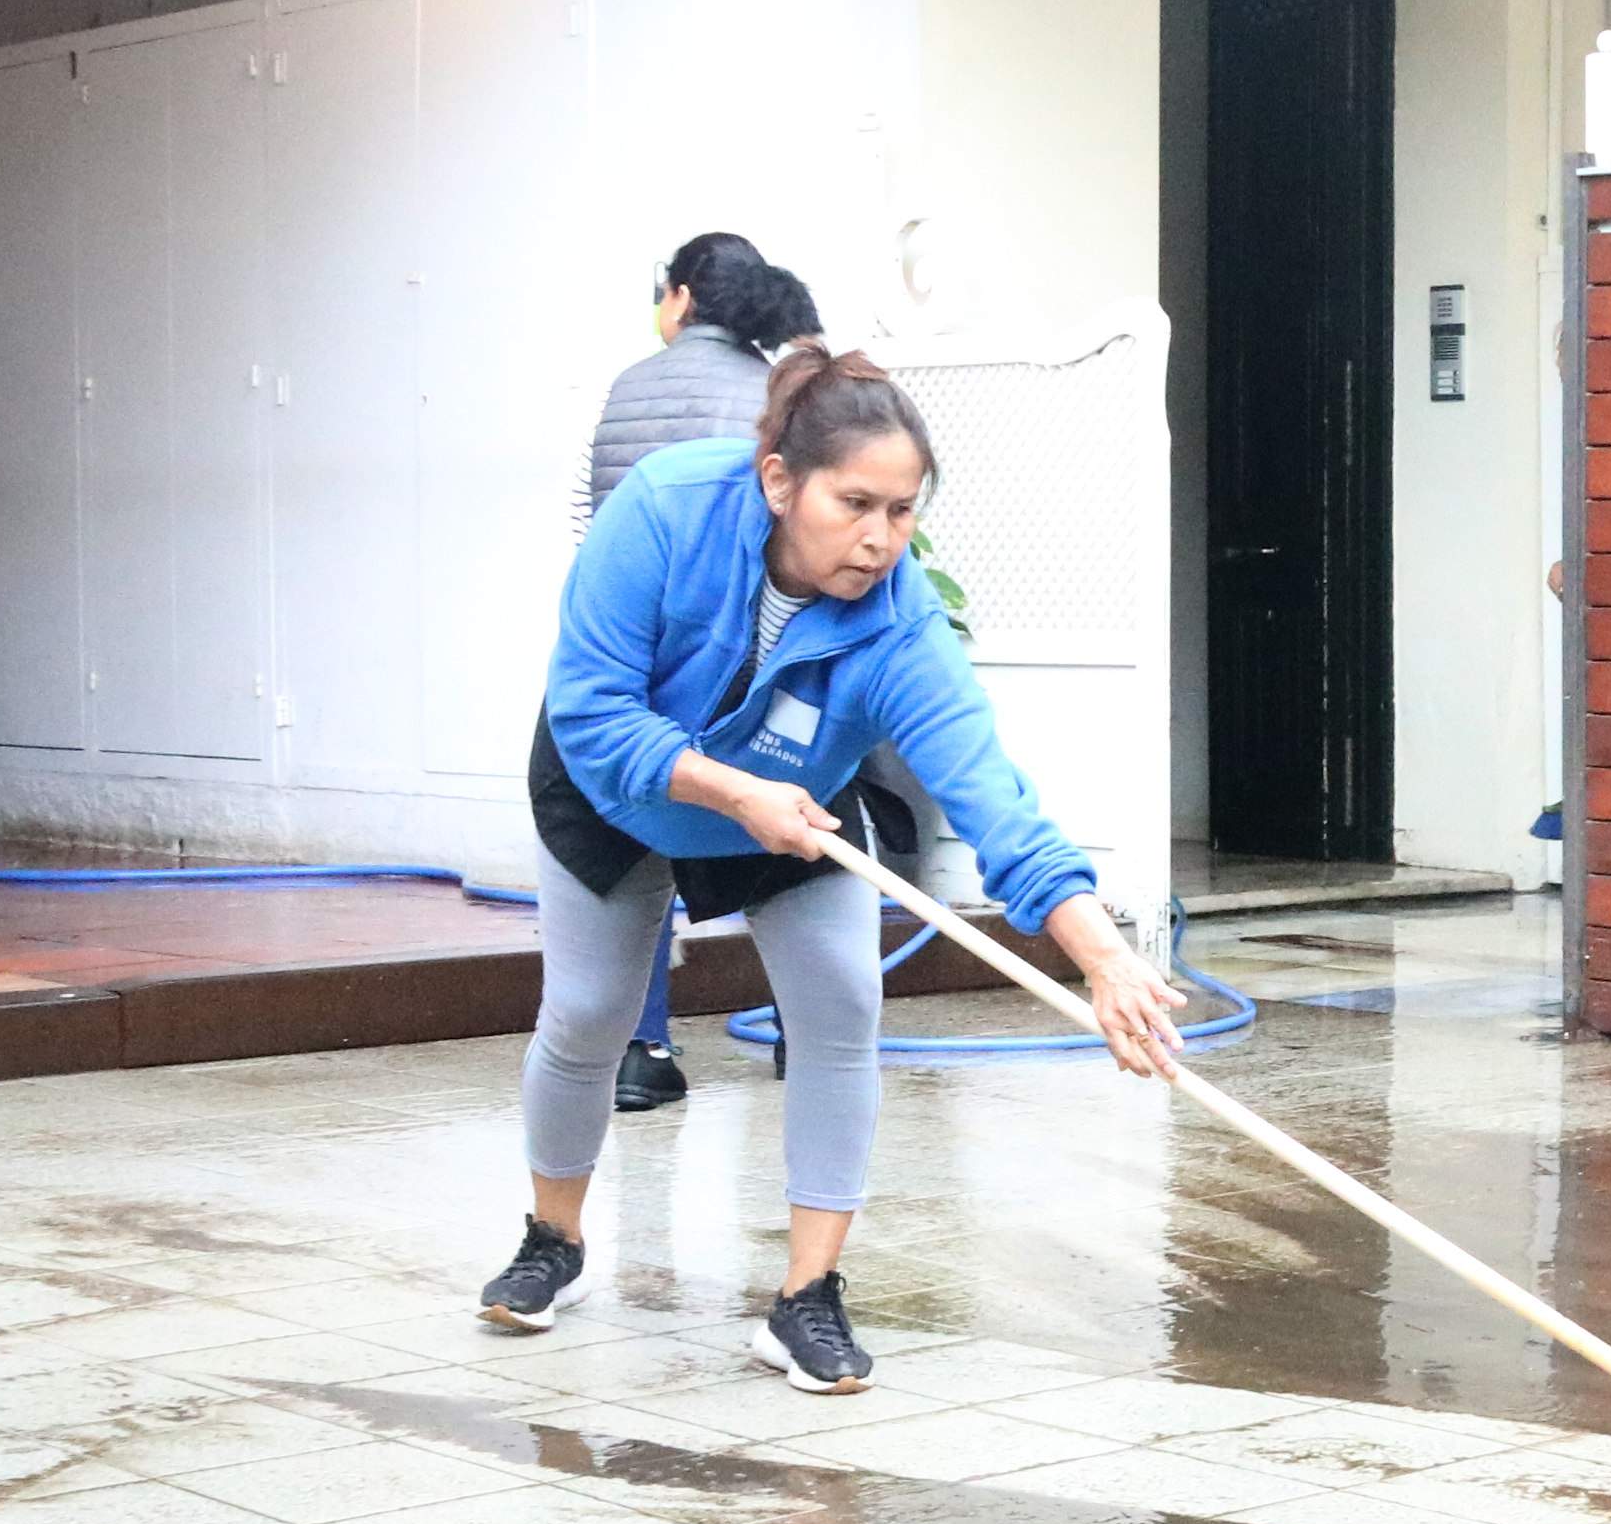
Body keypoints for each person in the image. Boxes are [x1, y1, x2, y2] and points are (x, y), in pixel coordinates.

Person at [487, 341, 1186, 1389]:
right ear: (779, 481)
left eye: (902, 512)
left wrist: (1101, 955)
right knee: (589, 1008)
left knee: (844, 1000)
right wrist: (726, 789)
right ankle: (556, 1238)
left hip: (790, 803)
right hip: (619, 783)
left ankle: (806, 1296)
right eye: (855, 503)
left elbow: (991, 794)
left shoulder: (901, 622)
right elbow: (591, 712)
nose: (879, 539)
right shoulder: (667, 510)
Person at [586, 233, 824, 1112]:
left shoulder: (625, 387)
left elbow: (594, 525)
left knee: (637, 847)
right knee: (786, 830)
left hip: (640, 656)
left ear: (680, 297)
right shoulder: (773, 393)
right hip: (750, 656)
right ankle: (804, 1029)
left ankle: (642, 1052)